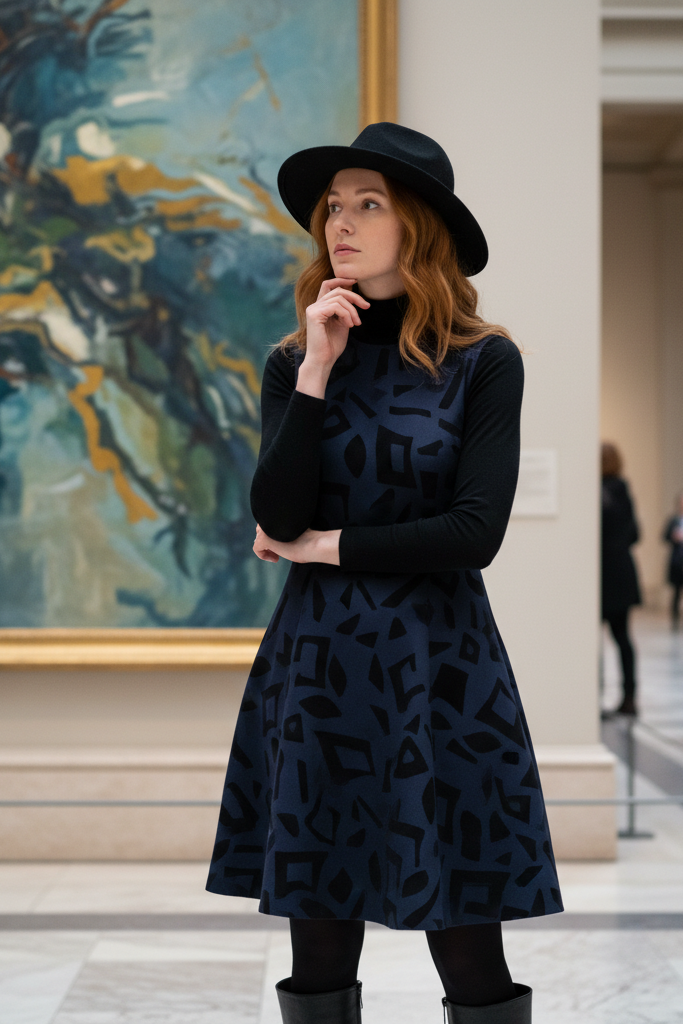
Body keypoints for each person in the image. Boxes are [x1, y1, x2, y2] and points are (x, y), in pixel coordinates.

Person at [206, 122, 562, 1024]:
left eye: (370, 204)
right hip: (318, 668)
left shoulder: (484, 361)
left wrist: (328, 548)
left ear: (419, 225)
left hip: (438, 668)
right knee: (316, 937)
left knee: (468, 942)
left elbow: (473, 532)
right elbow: (275, 514)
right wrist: (321, 366)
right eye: (335, 207)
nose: (343, 224)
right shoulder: (296, 361)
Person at [600, 442, 641, 717]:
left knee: (592, 641)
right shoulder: (624, 492)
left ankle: (593, 697)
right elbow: (636, 534)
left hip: (601, 575)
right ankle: (629, 697)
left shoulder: (598, 494)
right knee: (623, 637)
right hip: (623, 573)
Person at [663, 493, 683, 631]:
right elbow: (664, 537)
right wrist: (674, 537)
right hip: (677, 561)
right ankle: (674, 620)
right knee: (676, 592)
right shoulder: (672, 521)